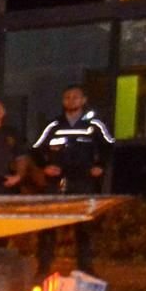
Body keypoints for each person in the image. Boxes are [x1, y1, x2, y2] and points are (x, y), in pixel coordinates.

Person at [30, 84, 114, 274]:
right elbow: (35, 149)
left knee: (83, 227)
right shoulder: (54, 125)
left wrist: (99, 166)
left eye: (76, 97)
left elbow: (109, 147)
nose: (71, 100)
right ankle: (43, 268)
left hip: (83, 181)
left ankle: (85, 269)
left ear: (83, 100)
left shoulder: (94, 125)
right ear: (63, 101)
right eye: (67, 97)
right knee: (49, 225)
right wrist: (45, 167)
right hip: (57, 182)